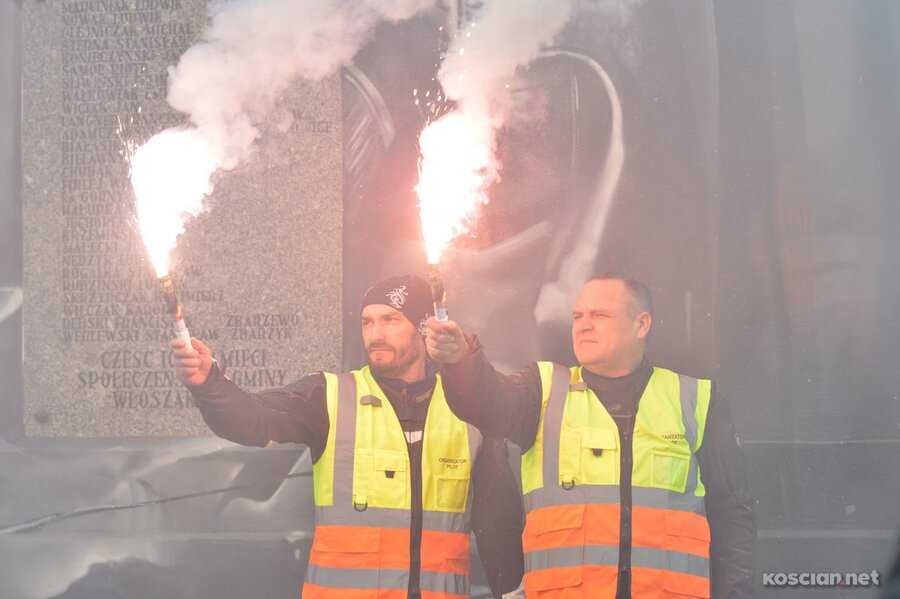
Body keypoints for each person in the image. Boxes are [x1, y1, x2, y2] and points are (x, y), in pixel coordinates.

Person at [171, 274, 524, 599]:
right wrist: (209, 385)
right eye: (367, 322)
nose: (375, 333)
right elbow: (251, 418)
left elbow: (499, 527)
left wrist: (511, 594)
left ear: (424, 327)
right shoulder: (329, 396)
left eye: (390, 319)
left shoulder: (470, 411)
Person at [425, 273, 756, 598]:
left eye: (600, 315)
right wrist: (461, 361)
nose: (583, 325)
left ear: (641, 325)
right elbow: (485, 402)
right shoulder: (542, 390)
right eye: (577, 316)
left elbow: (732, 514)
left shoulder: (695, 400)